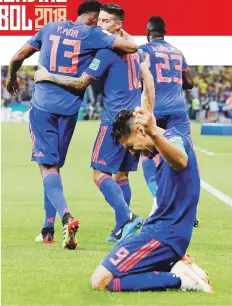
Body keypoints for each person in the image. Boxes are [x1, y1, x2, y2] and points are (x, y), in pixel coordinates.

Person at [6, 0, 138, 248]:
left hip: (43, 105)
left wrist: (12, 77)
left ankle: (65, 217)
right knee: (54, 168)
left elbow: (18, 57)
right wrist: (120, 31)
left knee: (48, 168)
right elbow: (131, 46)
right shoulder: (93, 35)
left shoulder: (49, 27)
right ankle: (47, 228)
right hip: (69, 111)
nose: (99, 24)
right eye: (98, 19)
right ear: (91, 17)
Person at [35, 3, 154, 243]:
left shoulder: (107, 52)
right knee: (122, 176)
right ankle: (121, 228)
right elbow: (147, 78)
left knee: (99, 173)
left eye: (105, 22)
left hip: (115, 121)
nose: (99, 25)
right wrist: (149, 111)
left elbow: (81, 83)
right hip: (136, 118)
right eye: (98, 20)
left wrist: (48, 76)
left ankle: (128, 217)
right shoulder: (136, 50)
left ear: (117, 25)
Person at [90, 105, 213, 293]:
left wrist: (154, 133)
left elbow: (181, 160)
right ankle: (178, 265)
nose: (132, 152)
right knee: (117, 269)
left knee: (100, 281)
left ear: (140, 130)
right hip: (163, 233)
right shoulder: (163, 147)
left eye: (130, 146)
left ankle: (180, 279)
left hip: (163, 236)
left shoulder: (174, 140)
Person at [138, 16, 196, 217]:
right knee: (182, 155)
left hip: (154, 108)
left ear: (147, 33)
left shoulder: (143, 50)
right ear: (165, 32)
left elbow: (137, 75)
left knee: (147, 153)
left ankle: (159, 197)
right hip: (178, 111)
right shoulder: (177, 52)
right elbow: (189, 82)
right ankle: (189, 207)